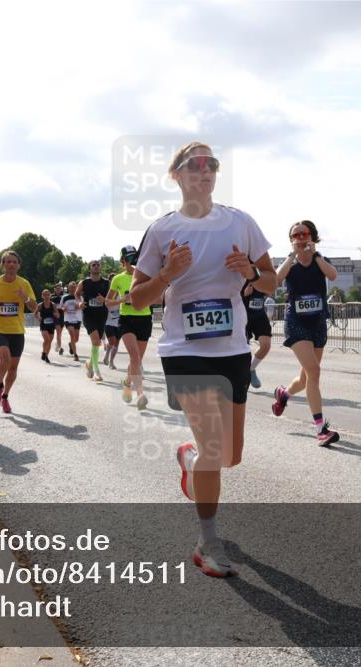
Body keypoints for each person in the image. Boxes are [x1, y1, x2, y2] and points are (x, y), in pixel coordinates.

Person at [130, 141, 276, 578]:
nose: (204, 170)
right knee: (215, 448)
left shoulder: (241, 222)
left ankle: (191, 461)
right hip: (184, 350)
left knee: (230, 456)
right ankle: (207, 541)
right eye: (193, 165)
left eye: (210, 164)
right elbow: (137, 300)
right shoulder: (162, 231)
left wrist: (251, 273)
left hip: (232, 349)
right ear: (176, 175)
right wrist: (167, 274)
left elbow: (271, 281)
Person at [270, 221, 340, 446]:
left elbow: (333, 275)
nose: (300, 238)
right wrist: (292, 255)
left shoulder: (320, 260)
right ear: (291, 240)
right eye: (296, 235)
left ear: (312, 236)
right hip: (296, 322)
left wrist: (316, 254)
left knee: (306, 378)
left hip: (317, 322)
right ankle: (320, 429)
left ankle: (284, 394)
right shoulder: (289, 263)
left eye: (304, 234)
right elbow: (277, 279)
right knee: (314, 371)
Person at [0, 250, 37, 413]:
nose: (11, 264)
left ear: (18, 265)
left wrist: (25, 297)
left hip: (17, 331)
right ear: (2, 265)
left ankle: (5, 397)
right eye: (7, 262)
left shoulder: (24, 283)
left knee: (13, 368)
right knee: (5, 359)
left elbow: (34, 307)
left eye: (14, 262)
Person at [108, 245, 154, 410]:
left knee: (137, 360)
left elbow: (155, 296)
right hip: (126, 320)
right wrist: (123, 300)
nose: (132, 261)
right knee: (134, 357)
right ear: (123, 260)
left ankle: (127, 382)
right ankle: (140, 395)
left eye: (135, 257)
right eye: (128, 258)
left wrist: (144, 298)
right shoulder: (117, 279)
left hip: (144, 318)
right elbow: (108, 302)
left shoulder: (146, 276)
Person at [77, 260, 110, 381]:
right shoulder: (84, 282)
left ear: (100, 267)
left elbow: (112, 296)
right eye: (93, 265)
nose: (96, 266)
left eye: (98, 265)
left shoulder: (107, 283)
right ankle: (96, 371)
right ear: (90, 268)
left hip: (102, 315)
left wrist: (105, 299)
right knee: (96, 341)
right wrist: (79, 302)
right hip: (89, 315)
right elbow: (76, 294)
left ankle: (89, 363)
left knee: (96, 343)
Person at [242, 280, 272, 390]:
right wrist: (243, 294)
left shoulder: (262, 274)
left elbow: (270, 290)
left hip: (260, 316)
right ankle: (242, 377)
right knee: (243, 351)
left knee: (266, 346)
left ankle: (251, 369)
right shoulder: (238, 274)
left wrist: (266, 288)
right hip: (243, 316)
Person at [60, 281, 82, 362]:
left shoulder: (79, 297)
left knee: (76, 339)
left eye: (74, 287)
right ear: (68, 288)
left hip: (77, 319)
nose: (72, 289)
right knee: (72, 336)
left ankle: (71, 344)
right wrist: (64, 309)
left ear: (76, 288)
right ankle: (76, 355)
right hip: (68, 319)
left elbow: (83, 306)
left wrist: (79, 306)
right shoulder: (64, 297)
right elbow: (61, 307)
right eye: (71, 287)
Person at [35, 289, 58, 363]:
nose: (46, 296)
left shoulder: (53, 305)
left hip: (51, 325)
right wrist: (38, 318)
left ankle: (46, 355)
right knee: (47, 339)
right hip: (44, 325)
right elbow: (35, 313)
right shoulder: (40, 305)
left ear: (50, 296)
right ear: (42, 296)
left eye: (48, 295)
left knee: (49, 342)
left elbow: (58, 314)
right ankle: (44, 352)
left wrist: (55, 314)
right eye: (45, 295)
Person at [103, 300, 121, 369]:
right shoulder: (109, 296)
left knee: (116, 343)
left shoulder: (122, 295)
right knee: (112, 341)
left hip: (119, 323)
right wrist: (121, 301)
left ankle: (111, 362)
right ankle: (107, 354)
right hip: (108, 322)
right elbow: (107, 303)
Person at [52, 282, 66, 355]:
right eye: (57, 288)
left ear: (61, 289)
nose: (58, 290)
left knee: (60, 332)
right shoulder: (51, 297)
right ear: (54, 289)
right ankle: (60, 347)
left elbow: (66, 306)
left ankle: (57, 344)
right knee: (58, 331)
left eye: (59, 288)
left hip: (62, 316)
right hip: (55, 316)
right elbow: (49, 306)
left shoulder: (64, 297)